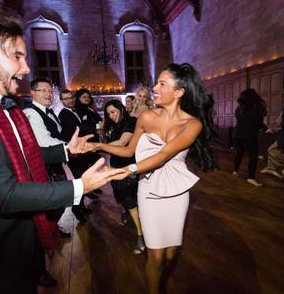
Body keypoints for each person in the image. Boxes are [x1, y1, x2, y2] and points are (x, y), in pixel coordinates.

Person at [0, 11, 123, 294]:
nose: (26, 67)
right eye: (17, 56)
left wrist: (66, 150)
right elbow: (3, 193)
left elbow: (24, 157)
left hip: (27, 237)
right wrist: (80, 186)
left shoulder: (5, 106)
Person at [87, 63, 215, 294]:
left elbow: (164, 155)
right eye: (156, 82)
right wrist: (98, 145)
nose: (155, 87)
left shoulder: (192, 124)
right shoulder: (145, 117)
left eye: (162, 84)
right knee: (155, 256)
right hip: (148, 190)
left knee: (171, 253)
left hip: (177, 193)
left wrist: (128, 171)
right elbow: (128, 151)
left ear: (179, 92)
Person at [24, 77, 71, 288]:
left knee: (56, 208)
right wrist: (72, 147)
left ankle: (49, 240)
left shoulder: (48, 112)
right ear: (32, 93)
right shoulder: (32, 113)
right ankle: (38, 269)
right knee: (43, 216)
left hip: (54, 166)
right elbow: (44, 143)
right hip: (41, 170)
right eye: (42, 90)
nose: (47, 94)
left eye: (50, 91)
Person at [103, 99, 145, 254]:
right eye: (108, 114)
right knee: (117, 194)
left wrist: (97, 146)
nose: (111, 116)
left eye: (113, 112)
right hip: (115, 165)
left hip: (129, 166)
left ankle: (141, 235)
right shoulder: (114, 125)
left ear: (121, 109)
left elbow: (122, 143)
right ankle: (123, 213)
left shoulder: (130, 121)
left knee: (130, 199)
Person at [58, 89, 94, 222]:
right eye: (66, 99)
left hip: (79, 152)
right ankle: (76, 209)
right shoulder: (63, 114)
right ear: (61, 101)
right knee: (80, 182)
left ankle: (81, 206)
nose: (69, 100)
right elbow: (78, 130)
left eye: (71, 97)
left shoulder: (74, 111)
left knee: (83, 181)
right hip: (73, 154)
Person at [232, 88, 268, 187]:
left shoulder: (239, 108)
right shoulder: (254, 107)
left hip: (237, 134)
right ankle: (251, 178)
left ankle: (235, 171)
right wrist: (267, 130)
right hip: (249, 136)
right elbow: (258, 123)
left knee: (239, 153)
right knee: (253, 156)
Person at [260, 93, 284, 179]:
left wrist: (277, 129)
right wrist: (269, 127)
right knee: (272, 149)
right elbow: (278, 122)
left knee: (271, 149)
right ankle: (270, 168)